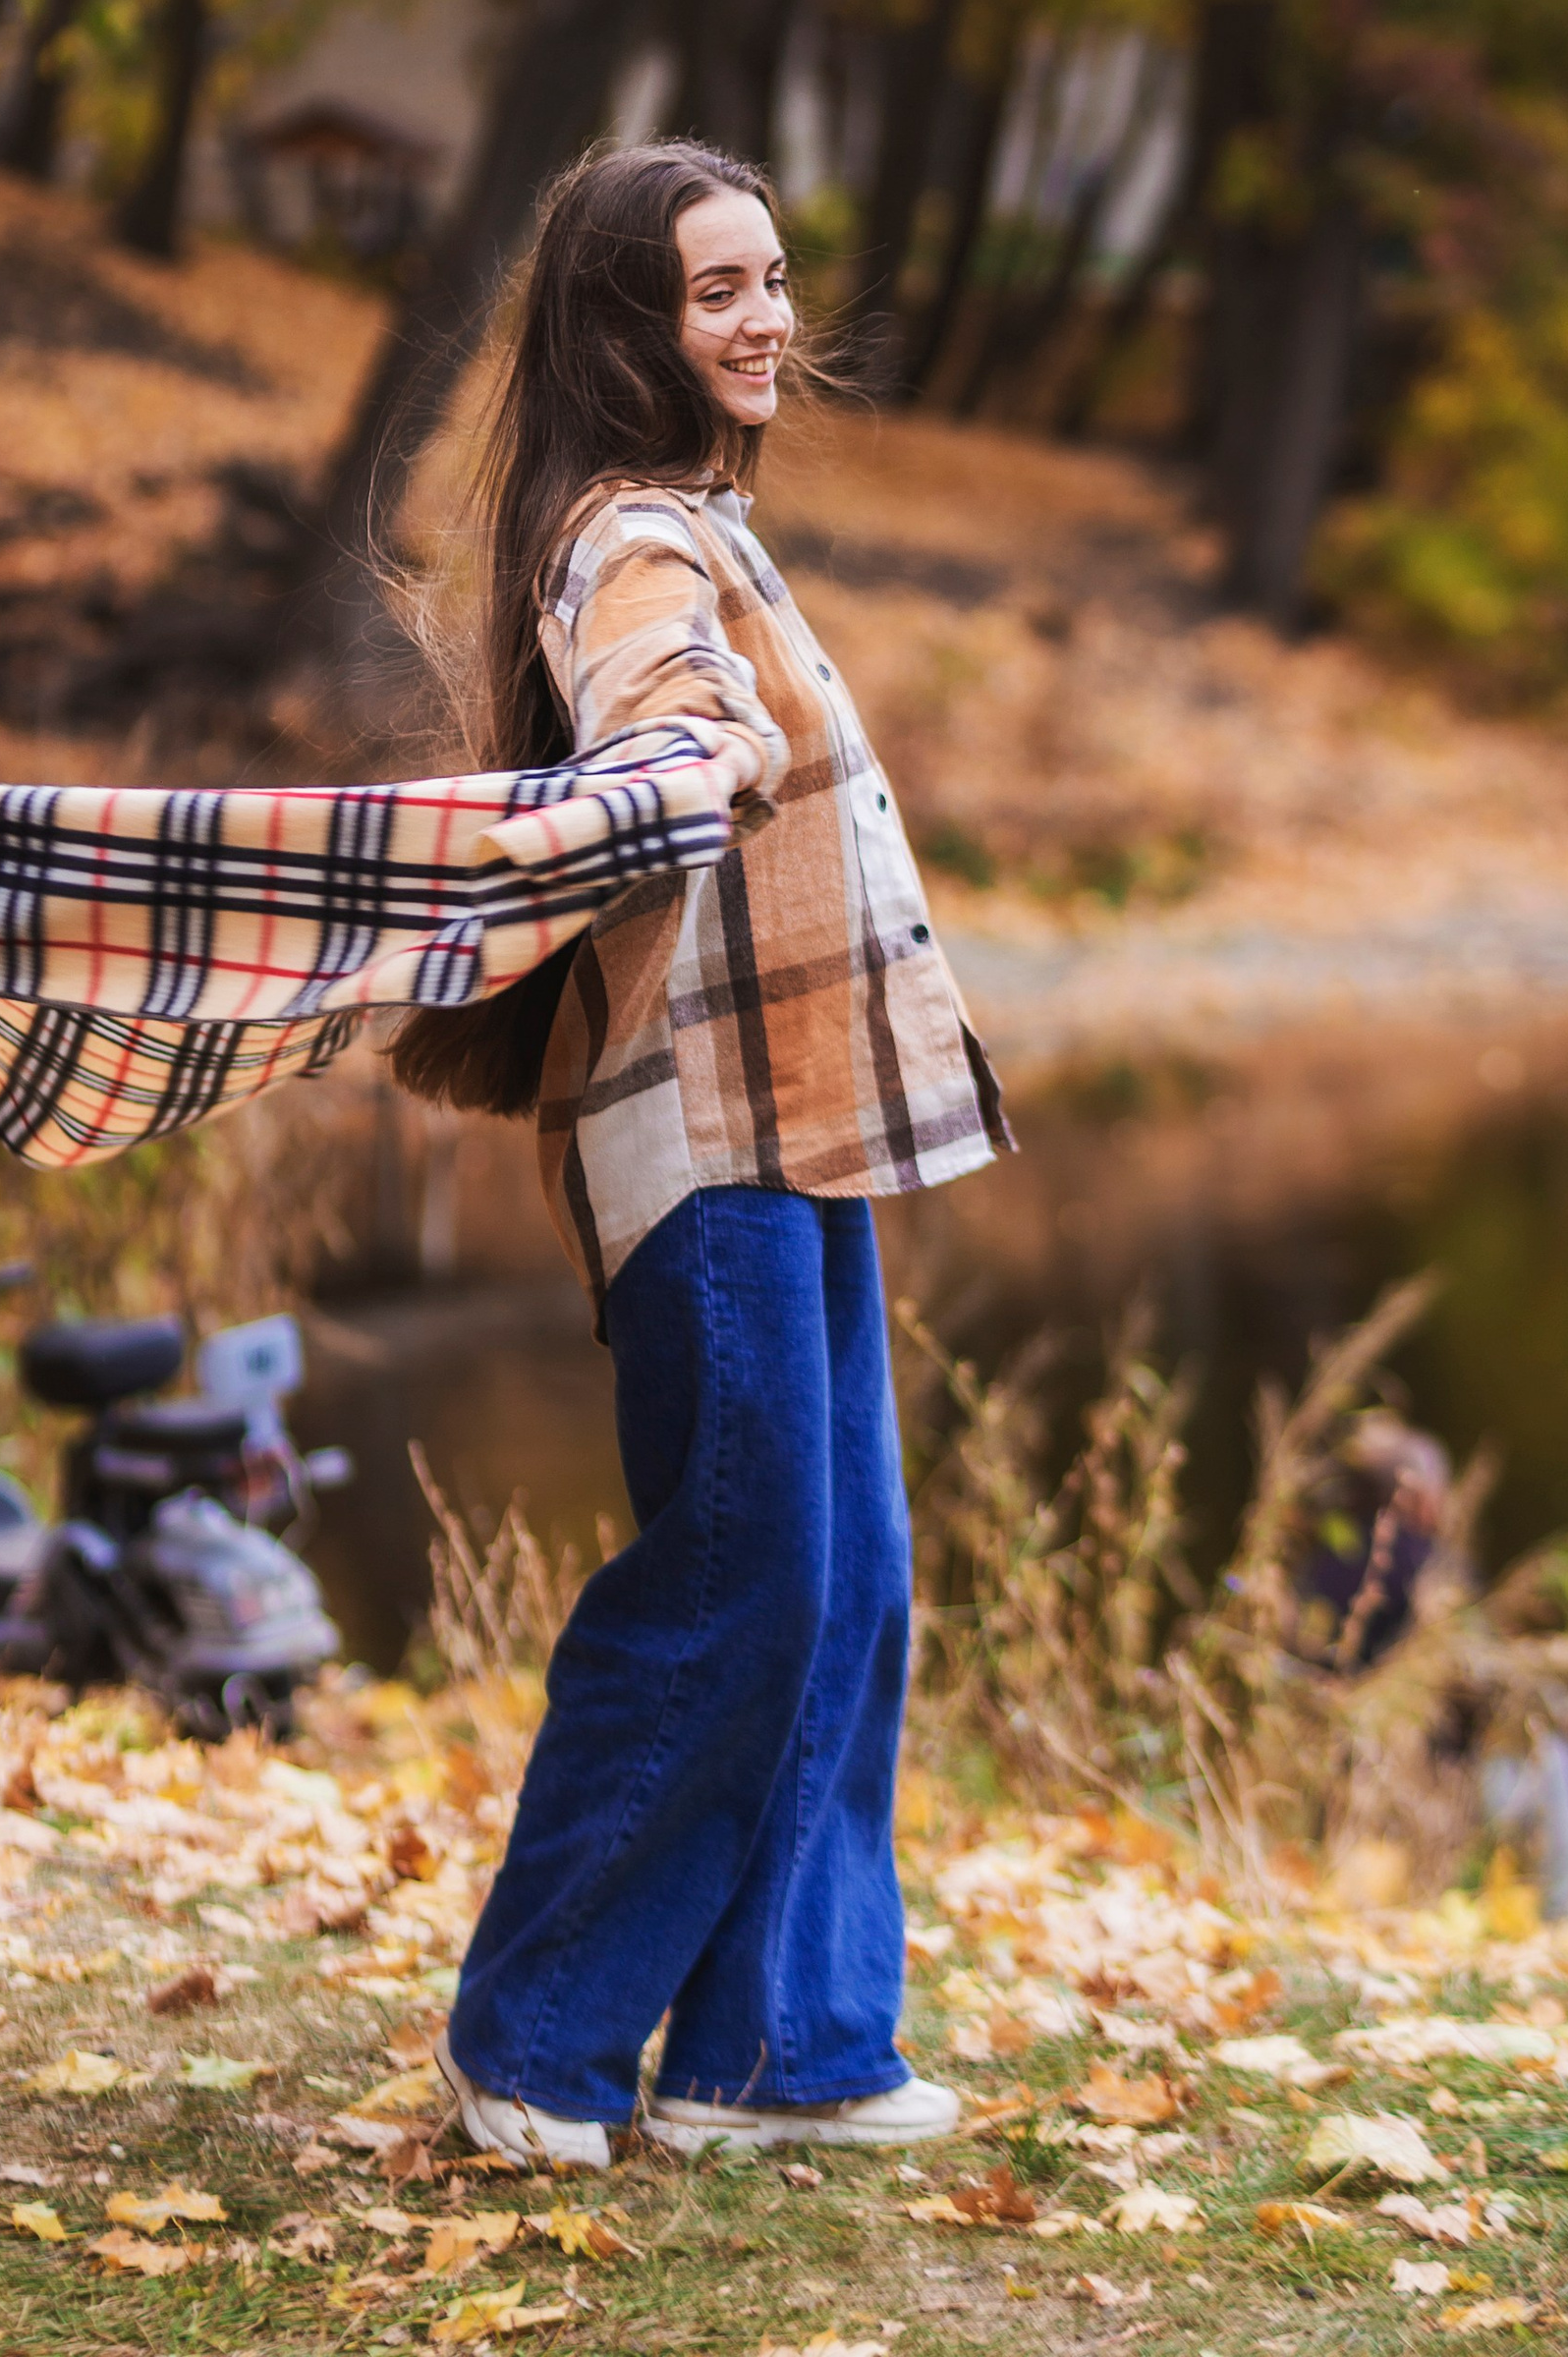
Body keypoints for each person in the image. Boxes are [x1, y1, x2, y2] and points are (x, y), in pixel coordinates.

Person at [391, 139, 1011, 2168]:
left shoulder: (703, 528)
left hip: (800, 1125)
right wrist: (702, 743)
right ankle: (532, 2042)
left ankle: (778, 2049)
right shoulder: (626, 541)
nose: (761, 321)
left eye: (768, 281)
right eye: (714, 290)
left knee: (849, 1587)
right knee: (744, 1573)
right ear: (621, 329)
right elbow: (652, 706)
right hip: (707, 1141)